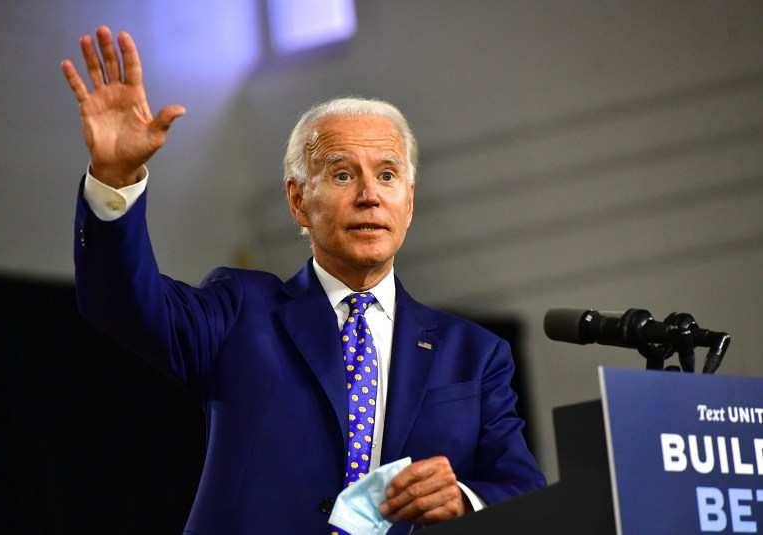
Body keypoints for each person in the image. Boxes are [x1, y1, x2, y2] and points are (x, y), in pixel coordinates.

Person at [62, 26, 546, 534]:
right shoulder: (241, 312)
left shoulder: (475, 355)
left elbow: (522, 490)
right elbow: (121, 303)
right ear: (298, 201)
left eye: (387, 175)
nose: (369, 195)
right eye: (342, 174)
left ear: (409, 200)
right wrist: (114, 178)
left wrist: (467, 500)